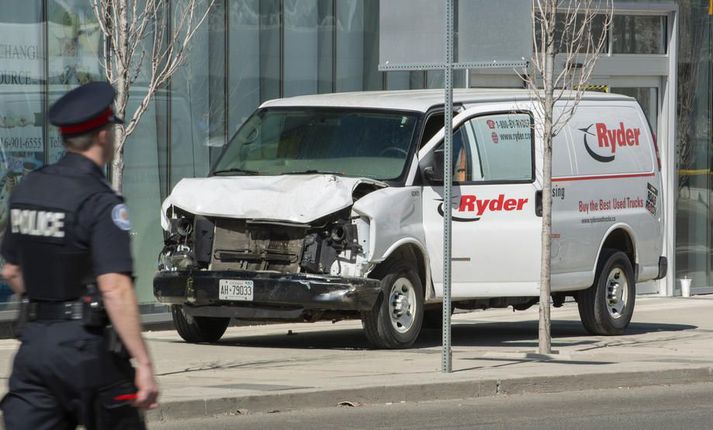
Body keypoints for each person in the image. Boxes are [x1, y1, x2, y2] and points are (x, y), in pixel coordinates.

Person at [0, 82, 159, 429]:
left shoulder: (28, 188)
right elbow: (115, 288)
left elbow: (11, 270)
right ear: (104, 135)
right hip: (87, 352)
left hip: (35, 348)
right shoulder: (100, 202)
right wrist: (143, 363)